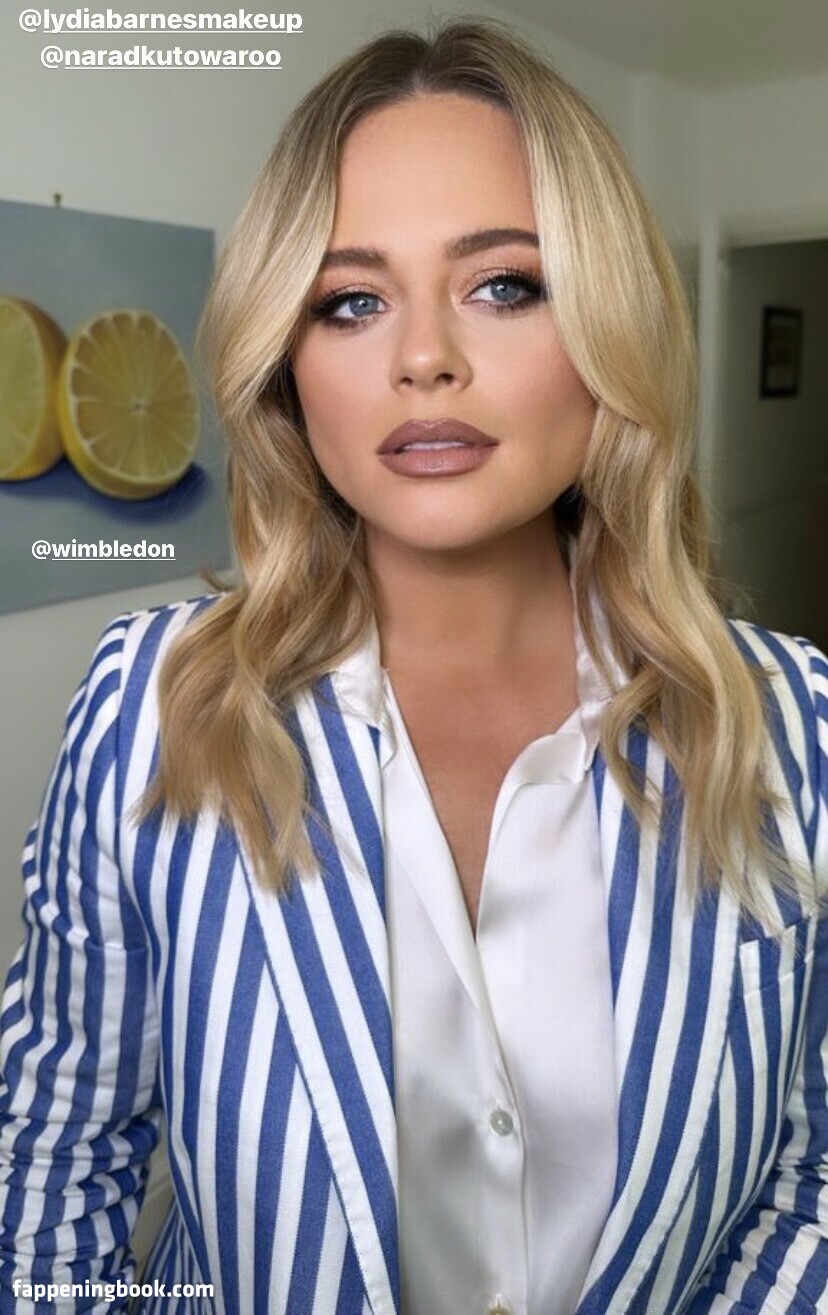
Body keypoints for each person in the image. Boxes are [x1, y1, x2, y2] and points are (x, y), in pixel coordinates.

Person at [1, 18, 826, 1315]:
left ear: (609, 323)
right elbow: (53, 1164)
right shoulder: (153, 707)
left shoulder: (797, 726)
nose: (424, 356)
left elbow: (811, 1172)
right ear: (289, 363)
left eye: (505, 285)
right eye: (351, 300)